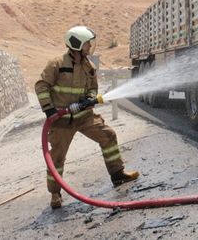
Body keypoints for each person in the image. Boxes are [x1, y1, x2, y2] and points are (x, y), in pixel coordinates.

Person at [35, 26, 139, 209]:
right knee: (57, 158)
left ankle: (118, 175)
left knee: (108, 136)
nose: (90, 46)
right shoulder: (56, 64)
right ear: (77, 44)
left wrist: (90, 98)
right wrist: (49, 110)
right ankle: (55, 194)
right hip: (61, 122)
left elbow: (92, 88)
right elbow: (41, 86)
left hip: (85, 118)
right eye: (87, 43)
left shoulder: (89, 66)